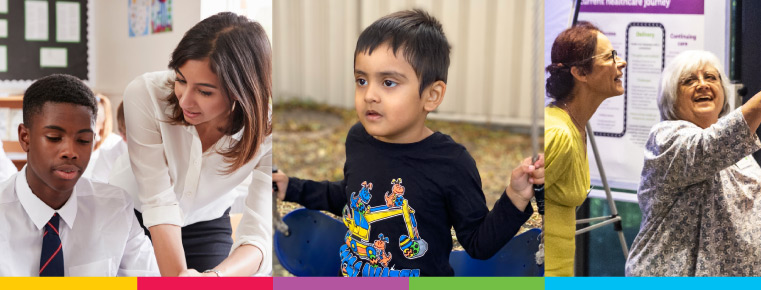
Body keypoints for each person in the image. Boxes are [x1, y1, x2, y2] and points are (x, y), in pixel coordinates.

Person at [272, 9, 543, 276]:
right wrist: (292, 187)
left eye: (388, 82)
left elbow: (478, 243)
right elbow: (348, 197)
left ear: (432, 96)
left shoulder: (451, 163)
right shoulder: (358, 139)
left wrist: (516, 196)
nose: (370, 95)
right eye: (361, 80)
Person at [111, 12, 272, 276]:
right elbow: (157, 202)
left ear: (240, 91)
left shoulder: (270, 128)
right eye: (181, 80)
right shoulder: (145, 93)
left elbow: (260, 232)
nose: (185, 100)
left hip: (206, 221)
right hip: (133, 214)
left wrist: (215, 278)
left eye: (205, 91)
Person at [625, 50, 761, 276]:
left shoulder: (735, 142)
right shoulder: (665, 138)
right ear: (671, 97)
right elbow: (709, 147)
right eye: (689, 81)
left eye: (710, 77)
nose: (702, 85)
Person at [0, 74, 158, 276]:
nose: (70, 152)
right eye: (54, 138)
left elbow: (149, 281)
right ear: (25, 137)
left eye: (83, 140)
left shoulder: (115, 208)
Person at [543, 21, 626, 276]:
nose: (620, 62)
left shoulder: (575, 126)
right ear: (580, 73)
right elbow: (509, 211)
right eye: (610, 56)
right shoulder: (558, 134)